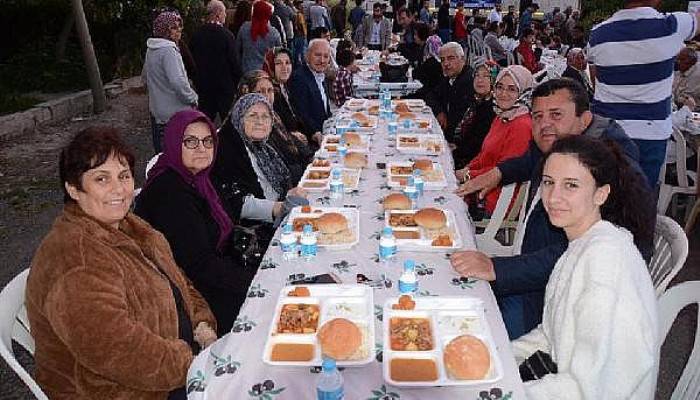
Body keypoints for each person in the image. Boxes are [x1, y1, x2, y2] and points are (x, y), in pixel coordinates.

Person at [26, 127, 217, 399]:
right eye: (101, 179)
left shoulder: (129, 226)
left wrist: (202, 325)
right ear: (73, 189)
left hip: (172, 366)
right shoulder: (75, 259)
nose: (119, 189)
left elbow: (178, 280)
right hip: (121, 390)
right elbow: (119, 351)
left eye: (124, 176)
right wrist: (195, 363)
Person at [454, 78, 649, 339]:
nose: (545, 125)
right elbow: (529, 159)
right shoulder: (563, 144)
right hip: (534, 273)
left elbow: (582, 254)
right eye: (538, 116)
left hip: (560, 304)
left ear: (585, 119)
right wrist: (497, 173)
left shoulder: (611, 172)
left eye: (556, 115)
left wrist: (498, 268)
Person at [511, 135, 658, 399]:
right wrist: (498, 356)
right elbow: (551, 333)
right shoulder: (583, 243)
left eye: (571, 185)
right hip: (564, 378)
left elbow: (594, 387)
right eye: (548, 183)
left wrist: (506, 393)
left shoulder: (605, 262)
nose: (554, 197)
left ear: (601, 194)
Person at [135, 110, 253, 335]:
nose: (202, 148)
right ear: (172, 142)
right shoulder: (169, 193)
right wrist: (253, 281)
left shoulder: (200, 180)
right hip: (190, 296)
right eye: (190, 141)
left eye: (208, 141)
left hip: (211, 273)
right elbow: (198, 264)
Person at [587, 0, 700, 188]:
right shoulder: (672, 26)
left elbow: (594, 73)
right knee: (641, 201)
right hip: (650, 133)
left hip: (607, 130)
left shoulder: (597, 34)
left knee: (604, 197)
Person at [212, 93, 309, 227]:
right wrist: (279, 207)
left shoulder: (263, 148)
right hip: (257, 229)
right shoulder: (227, 149)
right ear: (239, 118)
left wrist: (288, 196)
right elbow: (237, 203)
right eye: (252, 115)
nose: (260, 121)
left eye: (265, 116)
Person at [455, 65, 533, 215]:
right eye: (500, 87)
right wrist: (467, 169)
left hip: (497, 199)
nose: (503, 94)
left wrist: (468, 175)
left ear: (524, 92)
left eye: (512, 89)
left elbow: (504, 171)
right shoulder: (502, 116)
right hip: (480, 185)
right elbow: (484, 154)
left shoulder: (521, 125)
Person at [237, 69, 313, 183]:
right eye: (261, 91)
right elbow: (278, 160)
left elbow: (288, 138)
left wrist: (310, 156)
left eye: (270, 91)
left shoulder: (273, 115)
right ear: (247, 94)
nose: (267, 96)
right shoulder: (251, 123)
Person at [142, 11, 198, 154]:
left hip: (158, 112)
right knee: (178, 156)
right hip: (174, 113)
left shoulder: (152, 49)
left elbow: (144, 78)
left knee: (163, 155)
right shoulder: (168, 51)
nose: (179, 29)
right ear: (165, 30)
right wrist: (192, 97)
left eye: (180, 25)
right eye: (173, 26)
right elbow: (178, 81)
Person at [190, 0, 240, 123]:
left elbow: (190, 61)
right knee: (229, 123)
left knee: (204, 123)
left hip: (204, 87)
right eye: (224, 13)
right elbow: (234, 63)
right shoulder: (227, 35)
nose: (225, 16)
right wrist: (237, 83)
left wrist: (196, 80)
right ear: (218, 14)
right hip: (224, 87)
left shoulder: (197, 35)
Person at [451, 60, 497, 169]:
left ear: (494, 81)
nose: (480, 80)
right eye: (477, 75)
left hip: (473, 165)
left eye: (486, 76)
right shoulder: (474, 100)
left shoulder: (493, 109)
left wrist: (455, 151)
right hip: (460, 153)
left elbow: (477, 145)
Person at [425, 42, 475, 141]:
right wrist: (440, 112)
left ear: (462, 59)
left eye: (451, 58)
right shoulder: (450, 79)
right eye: (442, 60)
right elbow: (431, 95)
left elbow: (458, 121)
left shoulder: (470, 81)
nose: (446, 64)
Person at [288, 38, 333, 144]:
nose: (322, 60)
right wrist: (315, 132)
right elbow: (301, 113)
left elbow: (325, 110)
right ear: (307, 55)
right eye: (317, 55)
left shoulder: (320, 75)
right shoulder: (299, 77)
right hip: (312, 140)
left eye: (326, 56)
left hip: (325, 134)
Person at [262, 47, 312, 139]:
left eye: (287, 63)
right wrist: (291, 136)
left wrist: (313, 134)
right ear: (270, 66)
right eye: (278, 63)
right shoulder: (268, 93)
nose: (284, 67)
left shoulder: (286, 87)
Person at [234, 0, 282, 74]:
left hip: (247, 70)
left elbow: (237, 50)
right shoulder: (274, 32)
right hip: (266, 71)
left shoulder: (244, 28)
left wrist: (240, 66)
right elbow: (279, 53)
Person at [292, 0, 308, 66]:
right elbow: (301, 25)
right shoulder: (299, 15)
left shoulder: (297, 14)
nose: (302, 6)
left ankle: (297, 63)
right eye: (300, 5)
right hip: (301, 35)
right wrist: (304, 34)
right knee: (301, 50)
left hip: (298, 34)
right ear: (297, 6)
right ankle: (302, 64)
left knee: (298, 50)